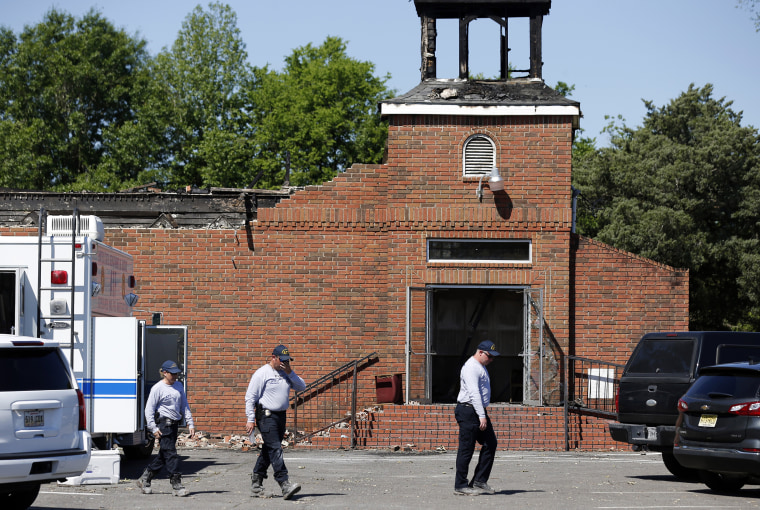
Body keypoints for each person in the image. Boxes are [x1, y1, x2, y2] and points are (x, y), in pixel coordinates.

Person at [245, 344, 307, 500]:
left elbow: (301, 386)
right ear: (273, 357)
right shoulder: (262, 373)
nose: (284, 363)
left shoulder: (286, 372)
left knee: (269, 450)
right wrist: (250, 419)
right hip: (266, 416)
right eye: (282, 360)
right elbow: (250, 397)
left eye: (287, 361)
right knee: (275, 449)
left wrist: (289, 372)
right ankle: (284, 483)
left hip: (280, 416)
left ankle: (256, 483)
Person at [137, 360, 195, 497]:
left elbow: (184, 405)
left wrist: (190, 423)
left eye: (176, 374)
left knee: (164, 455)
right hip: (164, 424)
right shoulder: (158, 388)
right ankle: (176, 485)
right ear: (164, 372)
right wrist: (153, 427)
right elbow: (149, 409)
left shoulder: (179, 386)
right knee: (171, 454)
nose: (175, 376)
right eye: (172, 374)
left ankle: (145, 478)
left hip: (174, 424)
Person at [454, 340, 500, 496]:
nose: (491, 360)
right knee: (467, 448)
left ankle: (480, 480)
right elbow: (474, 393)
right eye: (489, 356)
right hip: (468, 411)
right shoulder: (471, 367)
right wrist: (482, 415)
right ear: (480, 352)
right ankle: (460, 485)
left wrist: (481, 413)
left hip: (476, 410)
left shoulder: (481, 366)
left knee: (490, 443)